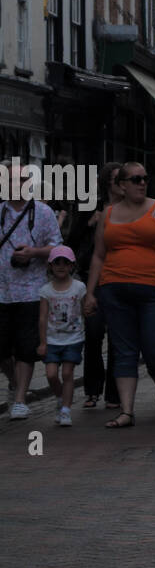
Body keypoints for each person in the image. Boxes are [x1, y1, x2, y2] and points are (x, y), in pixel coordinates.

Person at [83, 163, 155, 428]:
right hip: (114, 290)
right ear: (122, 185)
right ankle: (127, 411)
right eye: (135, 179)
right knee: (123, 350)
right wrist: (91, 292)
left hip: (154, 291)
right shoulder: (108, 213)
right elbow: (98, 255)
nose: (142, 183)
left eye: (145, 179)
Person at [0, 159, 62, 419]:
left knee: (26, 347)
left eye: (23, 180)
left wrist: (34, 252)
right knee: (2, 349)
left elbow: (58, 249)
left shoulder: (44, 212)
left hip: (31, 291)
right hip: (2, 292)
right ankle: (14, 381)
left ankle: (19, 399)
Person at [79, 162, 123, 410]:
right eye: (118, 178)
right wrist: (89, 224)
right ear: (108, 182)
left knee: (118, 336)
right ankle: (92, 389)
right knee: (93, 333)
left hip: (120, 278)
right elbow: (73, 240)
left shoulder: (133, 209)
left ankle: (114, 394)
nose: (123, 183)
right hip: (95, 280)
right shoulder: (92, 208)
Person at [38, 245, 86, 426]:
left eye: (65, 263)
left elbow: (84, 309)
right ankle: (60, 398)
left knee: (67, 373)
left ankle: (66, 409)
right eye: (57, 262)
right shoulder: (46, 290)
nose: (61, 266)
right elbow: (42, 318)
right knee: (51, 374)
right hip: (52, 339)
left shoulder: (79, 287)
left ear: (72, 266)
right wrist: (42, 342)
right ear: (50, 265)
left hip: (73, 339)